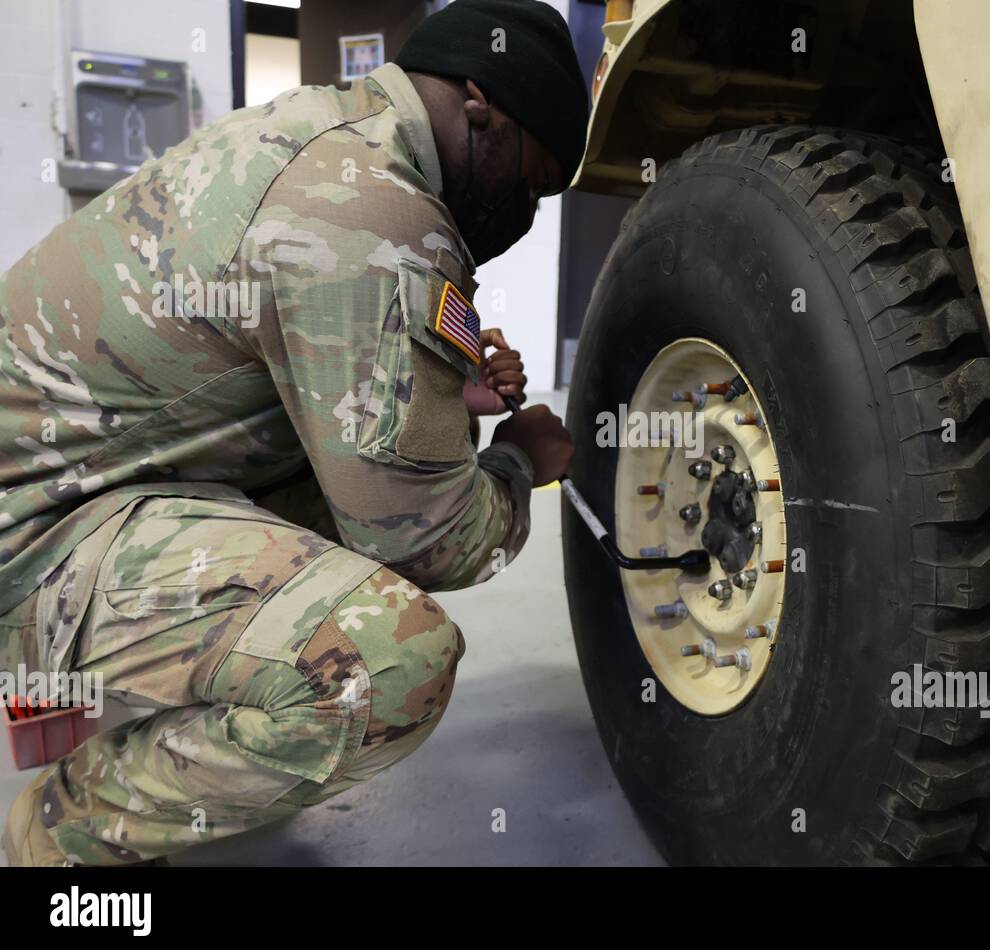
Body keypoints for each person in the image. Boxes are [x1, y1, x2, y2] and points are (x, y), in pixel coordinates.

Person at [0, 0, 584, 865]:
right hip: (30, 541)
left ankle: (185, 698)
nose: (525, 212)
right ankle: (62, 837)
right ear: (478, 104)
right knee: (386, 662)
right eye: (531, 182)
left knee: (366, 487)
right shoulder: (373, 216)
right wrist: (517, 461)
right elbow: (433, 541)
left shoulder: (324, 133)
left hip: (87, 474)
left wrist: (441, 401)